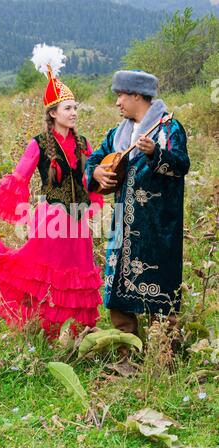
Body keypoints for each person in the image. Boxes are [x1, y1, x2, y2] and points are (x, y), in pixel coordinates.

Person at [0, 45, 103, 338]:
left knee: (77, 274)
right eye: (68, 108)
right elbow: (19, 177)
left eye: (75, 108)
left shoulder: (83, 143)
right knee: (46, 273)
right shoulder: (39, 144)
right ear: (53, 112)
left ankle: (77, 333)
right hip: (51, 218)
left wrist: (96, 199)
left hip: (78, 222)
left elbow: (90, 177)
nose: (73, 113)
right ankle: (46, 330)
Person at [84, 70, 190, 336]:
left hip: (159, 228)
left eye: (121, 95)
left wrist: (156, 153)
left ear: (137, 96)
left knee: (161, 288)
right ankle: (125, 351)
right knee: (118, 288)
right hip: (123, 227)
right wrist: (96, 173)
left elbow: (181, 165)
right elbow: (93, 161)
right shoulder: (116, 135)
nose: (118, 102)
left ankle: (164, 351)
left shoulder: (168, 129)